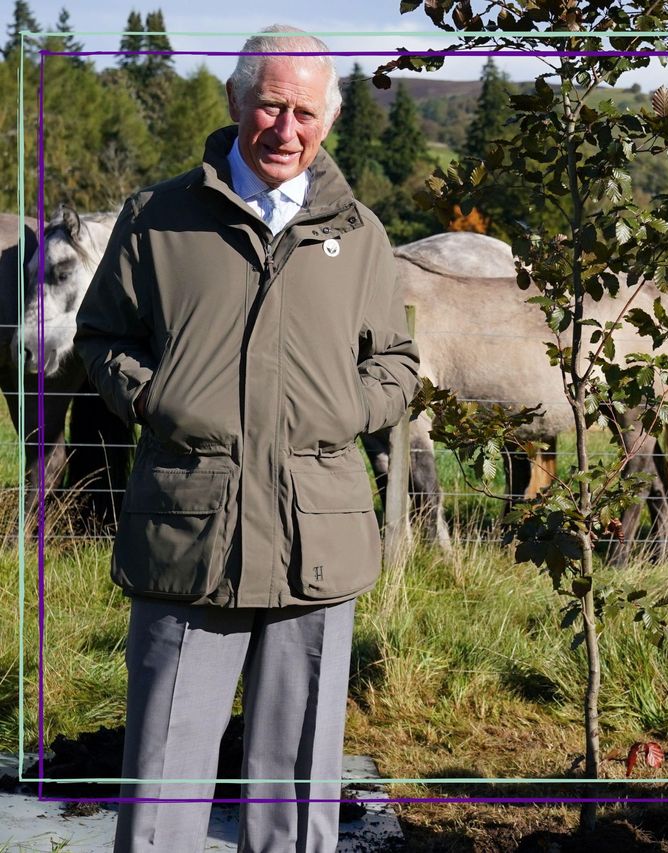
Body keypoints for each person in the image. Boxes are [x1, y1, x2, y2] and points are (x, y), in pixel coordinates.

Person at [75, 25, 419, 853]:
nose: (286, 128)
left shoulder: (361, 234)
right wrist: (159, 397)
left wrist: (344, 410)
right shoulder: (156, 218)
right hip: (188, 531)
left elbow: (399, 365)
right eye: (271, 104)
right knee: (162, 777)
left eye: (305, 111)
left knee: (299, 785)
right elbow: (101, 337)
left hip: (318, 537)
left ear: (328, 122)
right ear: (236, 103)